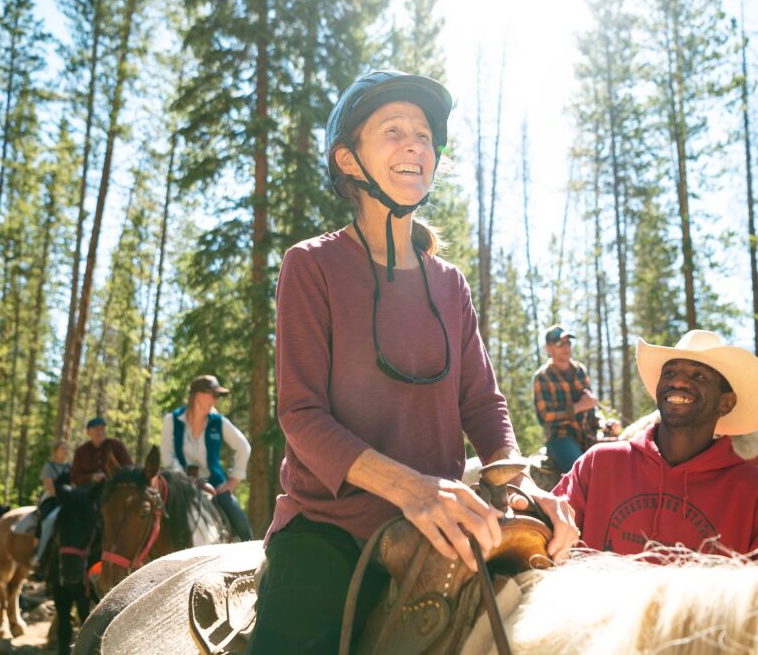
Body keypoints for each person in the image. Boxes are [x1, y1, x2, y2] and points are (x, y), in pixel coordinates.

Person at [246, 70, 580, 654]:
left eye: (424, 135)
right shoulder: (311, 264)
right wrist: (412, 490)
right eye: (394, 131)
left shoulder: (450, 283)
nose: (415, 146)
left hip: (443, 523)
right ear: (348, 160)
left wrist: (521, 482)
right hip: (329, 530)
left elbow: (482, 403)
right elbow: (300, 415)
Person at [553, 329, 758, 557]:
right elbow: (545, 535)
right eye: (670, 373)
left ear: (726, 402)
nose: (679, 382)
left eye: (699, 375)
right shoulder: (598, 465)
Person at [160, 375, 253, 541]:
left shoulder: (219, 422)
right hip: (179, 487)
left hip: (215, 488)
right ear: (198, 395)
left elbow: (244, 447)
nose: (216, 400)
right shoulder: (171, 421)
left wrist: (232, 482)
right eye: (214, 395)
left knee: (241, 525)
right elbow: (167, 456)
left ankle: (254, 555)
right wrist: (184, 479)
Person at [533, 324, 599, 473]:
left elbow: (590, 407)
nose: (566, 347)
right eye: (559, 344)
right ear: (548, 349)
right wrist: (578, 407)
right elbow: (545, 417)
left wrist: (604, 424)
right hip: (560, 437)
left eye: (568, 342)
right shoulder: (542, 377)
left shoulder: (580, 370)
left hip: (587, 434)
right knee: (582, 473)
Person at [32, 441, 72, 570]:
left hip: (68, 500)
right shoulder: (49, 466)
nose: (65, 451)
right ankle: (37, 553)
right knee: (45, 519)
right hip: (51, 499)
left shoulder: (70, 467)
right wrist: (62, 498)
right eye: (62, 449)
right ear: (55, 451)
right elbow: (49, 487)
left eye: (66, 449)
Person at [70, 417, 132, 486]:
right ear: (88, 433)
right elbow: (75, 477)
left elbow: (129, 467)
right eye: (96, 429)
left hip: (113, 486)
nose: (100, 432)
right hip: (88, 488)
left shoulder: (116, 446)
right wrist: (91, 477)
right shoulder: (81, 451)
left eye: (102, 429)